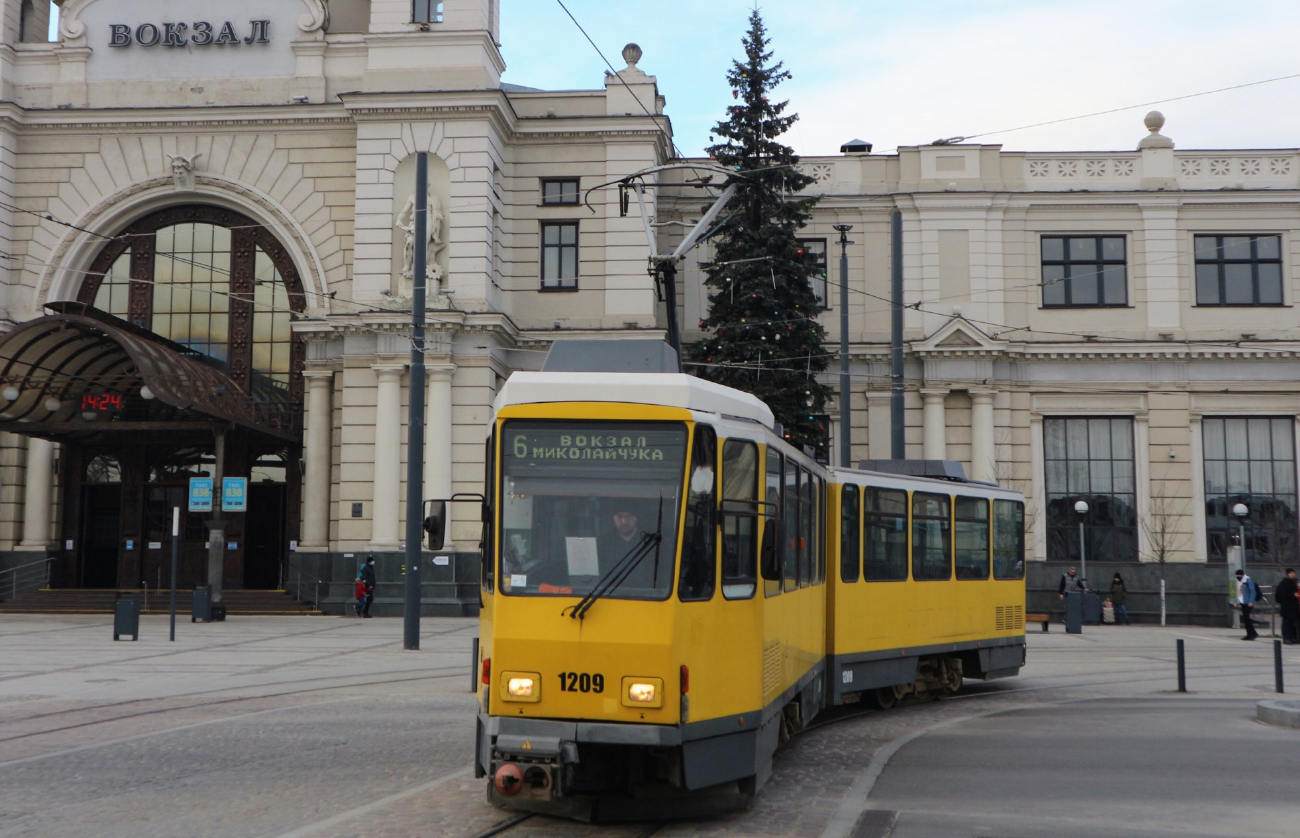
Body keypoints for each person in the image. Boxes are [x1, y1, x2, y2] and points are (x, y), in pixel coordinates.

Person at [1275, 568, 1299, 645]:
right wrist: (1292, 595)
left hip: (1295, 607)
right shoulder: (1284, 583)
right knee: (1287, 623)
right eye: (1291, 573)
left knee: (1294, 624)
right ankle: (1287, 638)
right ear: (1288, 574)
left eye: (1293, 573)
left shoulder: (1296, 582)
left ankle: (1293, 638)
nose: (1292, 574)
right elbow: (1280, 595)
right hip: (1287, 607)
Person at [1235, 569, 1259, 640]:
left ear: (1242, 575)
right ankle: (1250, 634)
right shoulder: (1239, 582)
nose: (1238, 577)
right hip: (1243, 602)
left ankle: (1252, 634)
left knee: (1246, 618)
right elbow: (1239, 593)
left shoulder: (1248, 580)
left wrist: (1251, 601)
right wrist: (1237, 602)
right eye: (1237, 576)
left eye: (1239, 576)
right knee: (1246, 619)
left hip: (1248, 602)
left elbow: (1253, 591)